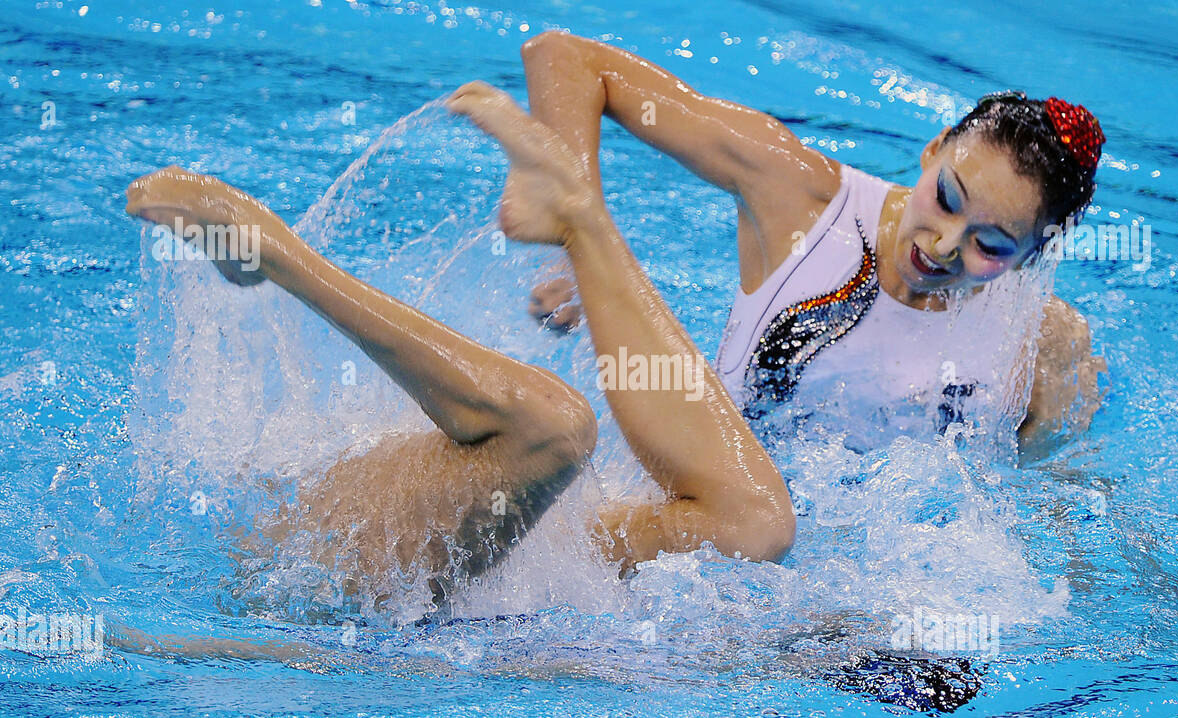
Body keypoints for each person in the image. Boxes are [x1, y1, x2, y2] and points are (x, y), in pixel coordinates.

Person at [125, 81, 794, 615]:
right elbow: (562, 56)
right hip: (346, 550)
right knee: (562, 432)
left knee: (747, 529)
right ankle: (271, 253)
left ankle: (577, 220)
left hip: (446, 558)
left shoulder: (712, 658)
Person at [518, 33, 1107, 457]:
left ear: (1033, 257)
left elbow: (1028, 492)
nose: (945, 244)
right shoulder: (802, 197)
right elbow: (564, 60)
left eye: (991, 245)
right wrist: (570, 247)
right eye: (947, 198)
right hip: (713, 528)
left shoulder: (1041, 339)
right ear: (933, 151)